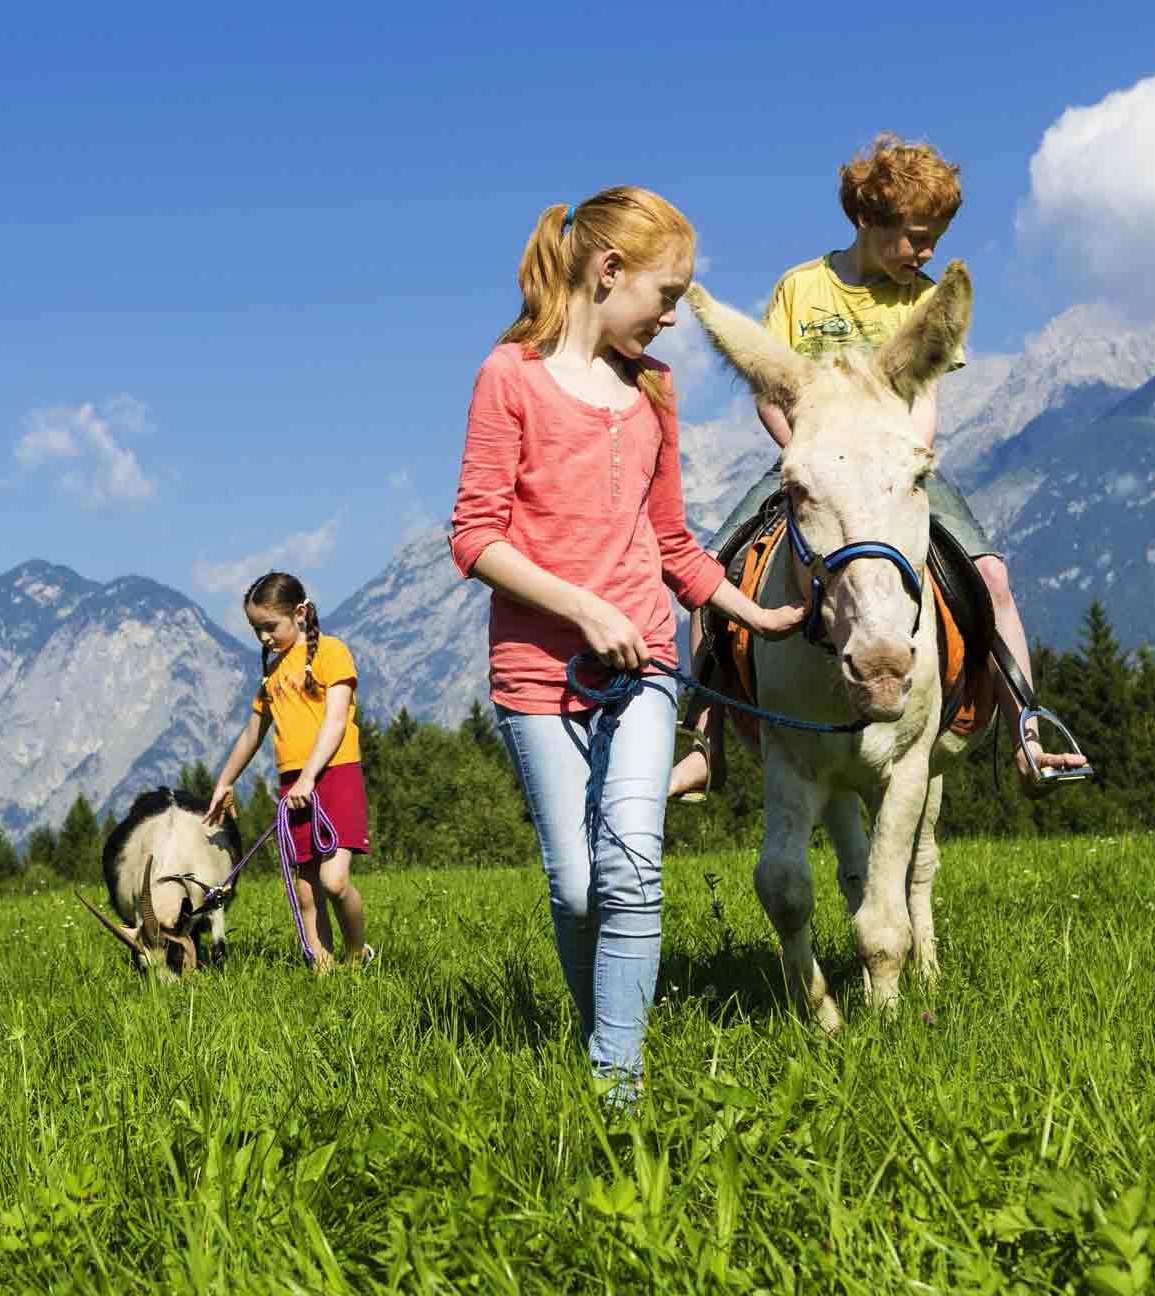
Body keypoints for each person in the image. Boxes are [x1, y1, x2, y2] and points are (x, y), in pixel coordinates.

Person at [449, 185, 802, 1108]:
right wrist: (579, 609)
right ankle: (602, 1033)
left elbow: (673, 540)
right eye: (668, 294)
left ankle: (618, 1082)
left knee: (631, 867)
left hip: (645, 659)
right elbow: (474, 537)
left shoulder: (654, 391)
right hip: (538, 674)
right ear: (609, 273)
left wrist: (747, 613)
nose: (677, 317)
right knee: (575, 890)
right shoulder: (509, 377)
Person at [669, 134, 1086, 802]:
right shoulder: (801, 289)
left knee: (992, 577)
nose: (925, 254)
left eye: (935, 240)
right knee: (711, 576)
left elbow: (926, 401)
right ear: (866, 219)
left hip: (896, 468)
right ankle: (702, 740)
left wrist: (907, 464)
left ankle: (1029, 732)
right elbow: (771, 391)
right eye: (914, 237)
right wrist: (798, 454)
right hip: (808, 463)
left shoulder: (924, 303)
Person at [203, 571, 373, 971]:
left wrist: (310, 776)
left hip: (334, 774)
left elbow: (334, 723)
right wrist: (225, 781)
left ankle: (357, 955)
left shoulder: (332, 652)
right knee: (307, 893)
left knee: (333, 882)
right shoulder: (273, 675)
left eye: (269, 626)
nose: (263, 637)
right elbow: (251, 734)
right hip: (293, 784)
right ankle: (323, 971)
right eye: (255, 629)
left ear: (299, 613)